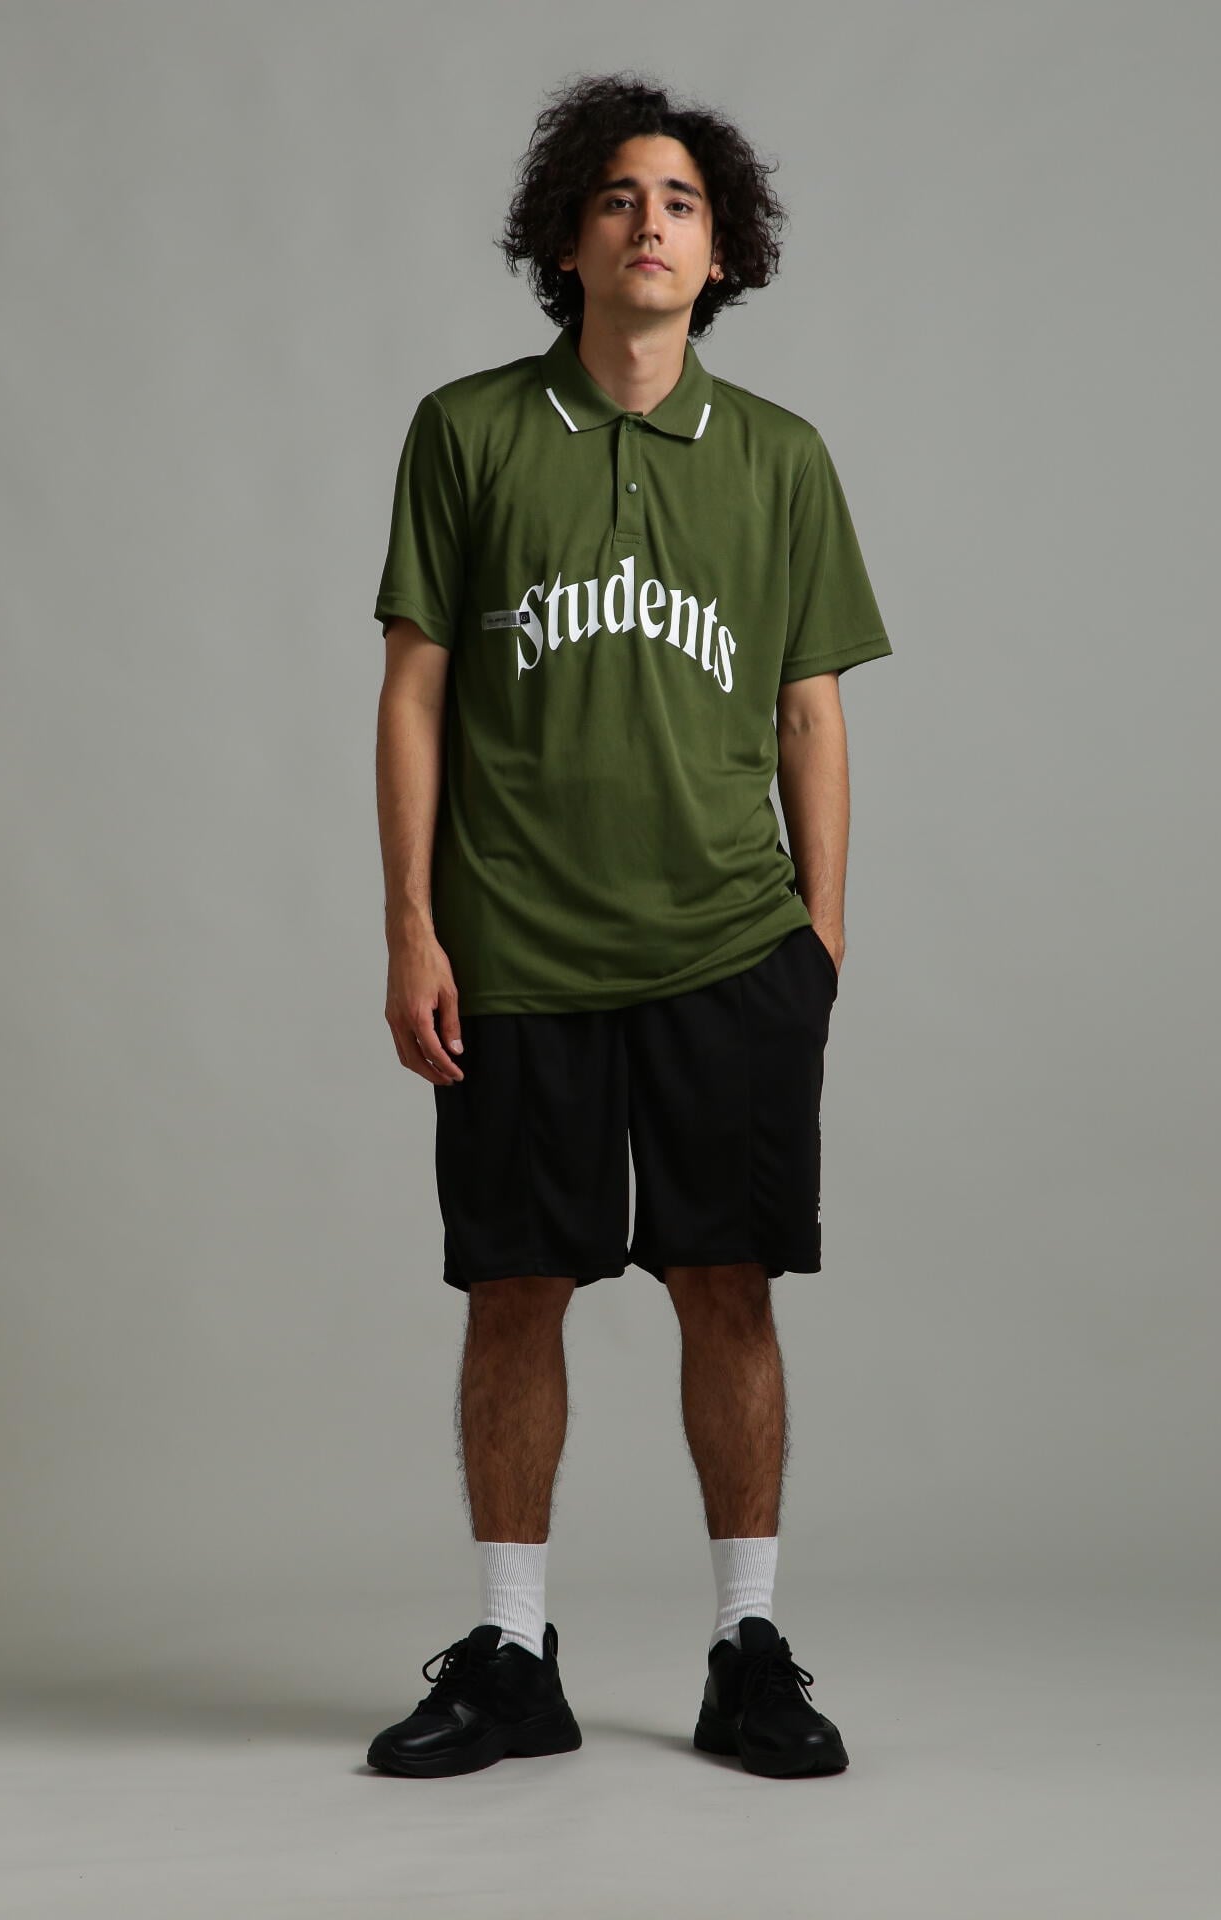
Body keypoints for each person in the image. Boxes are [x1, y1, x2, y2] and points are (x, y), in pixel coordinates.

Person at [366, 71, 892, 1781]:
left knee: (727, 1284)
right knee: (514, 1289)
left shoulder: (781, 457)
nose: (648, 222)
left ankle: (748, 1648)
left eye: (678, 200)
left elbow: (810, 710)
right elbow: (415, 693)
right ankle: (514, 1655)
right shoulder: (468, 432)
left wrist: (817, 943)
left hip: (730, 951)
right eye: (616, 197)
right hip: (513, 949)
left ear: (721, 251)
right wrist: (411, 927)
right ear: (567, 242)